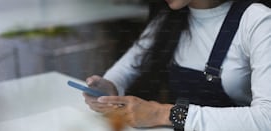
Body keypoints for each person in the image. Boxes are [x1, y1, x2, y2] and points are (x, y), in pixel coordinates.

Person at [83, 0, 271, 130]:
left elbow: (267, 119)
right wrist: (109, 87)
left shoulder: (257, 20)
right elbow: (128, 67)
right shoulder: (169, 18)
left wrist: (162, 113)